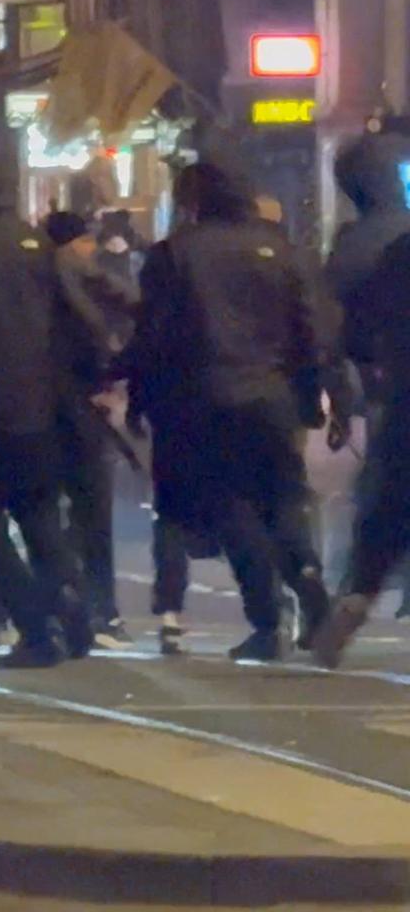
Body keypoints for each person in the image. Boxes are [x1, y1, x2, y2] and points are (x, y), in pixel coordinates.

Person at [123, 162, 329, 662]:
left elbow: (154, 336)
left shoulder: (175, 254)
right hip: (273, 395)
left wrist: (141, 399)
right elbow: (311, 329)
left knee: (232, 507)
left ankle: (266, 620)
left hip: (205, 398)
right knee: (283, 498)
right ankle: (309, 583)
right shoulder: (282, 250)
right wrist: (313, 396)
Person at [0, 149, 92, 668]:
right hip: (38, 404)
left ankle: (36, 626)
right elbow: (76, 319)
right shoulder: (35, 242)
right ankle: (75, 616)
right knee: (41, 519)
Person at [315, 227, 410, 665]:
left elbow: (360, 321)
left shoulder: (399, 248)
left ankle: (357, 596)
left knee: (389, 505)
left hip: (405, 396)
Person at [45, 210, 139, 647]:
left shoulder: (35, 274)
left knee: (47, 512)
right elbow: (121, 304)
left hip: (42, 406)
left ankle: (64, 605)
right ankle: (100, 611)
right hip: (79, 405)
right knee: (91, 512)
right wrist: (113, 367)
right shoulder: (72, 269)